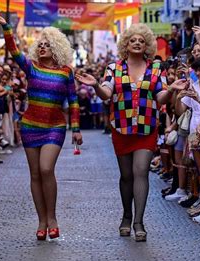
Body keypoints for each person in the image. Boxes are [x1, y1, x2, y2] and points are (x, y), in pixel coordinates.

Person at [75, 23, 183, 242]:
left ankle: (139, 222)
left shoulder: (156, 68)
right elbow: (106, 93)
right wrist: (96, 85)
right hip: (121, 127)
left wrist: (171, 90)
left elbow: (160, 97)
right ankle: (126, 215)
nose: (137, 43)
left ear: (147, 46)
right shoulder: (113, 68)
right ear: (126, 44)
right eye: (133, 40)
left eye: (141, 41)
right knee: (126, 176)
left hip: (146, 127)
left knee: (141, 171)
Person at [0, 13, 83, 241]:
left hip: (54, 126)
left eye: (47, 45)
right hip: (30, 125)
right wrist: (6, 27)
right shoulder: (31, 67)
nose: (42, 47)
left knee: (46, 169)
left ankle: (52, 218)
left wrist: (76, 128)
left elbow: (73, 101)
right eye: (40, 45)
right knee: (34, 174)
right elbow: (14, 51)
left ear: (56, 48)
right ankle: (41, 221)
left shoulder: (66, 72)